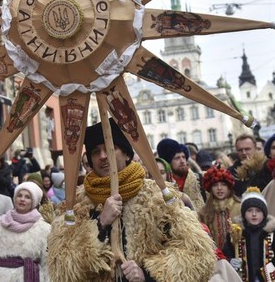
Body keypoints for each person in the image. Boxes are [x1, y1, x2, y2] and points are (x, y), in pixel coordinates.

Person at [48, 119, 216, 282]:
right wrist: (100, 224)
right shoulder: (75, 203)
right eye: (95, 152)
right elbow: (62, 267)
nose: (103, 156)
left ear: (127, 153)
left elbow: (198, 254)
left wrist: (148, 274)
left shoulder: (158, 195)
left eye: (110, 148)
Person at [0, 181, 51, 281]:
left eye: (27, 197)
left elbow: (46, 263)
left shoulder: (43, 228)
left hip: (32, 277)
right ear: (14, 198)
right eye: (19, 195)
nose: (22, 199)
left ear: (34, 202)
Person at [223, 188, 275, 282]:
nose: (254, 214)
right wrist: (230, 261)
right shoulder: (236, 233)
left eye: (258, 211)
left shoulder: (274, 232)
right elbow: (226, 254)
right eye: (249, 211)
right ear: (243, 214)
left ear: (264, 214)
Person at [198, 166, 241, 251]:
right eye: (215, 185)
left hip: (238, 255)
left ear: (229, 187)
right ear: (210, 188)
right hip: (215, 257)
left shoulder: (240, 207)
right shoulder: (203, 212)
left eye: (223, 184)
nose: (219, 188)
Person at [157, 138, 205, 211]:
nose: (182, 161)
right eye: (177, 158)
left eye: (184, 157)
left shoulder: (199, 179)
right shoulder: (164, 184)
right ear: (168, 162)